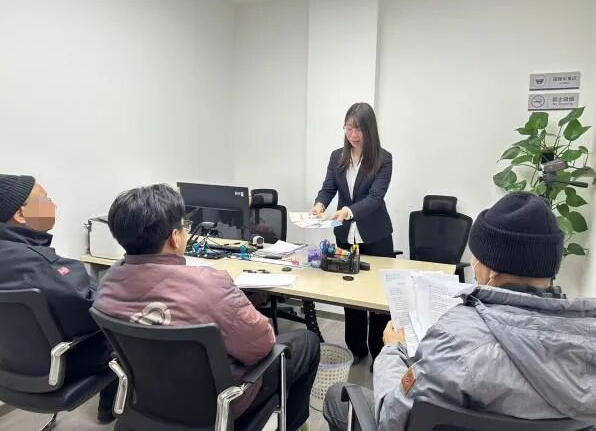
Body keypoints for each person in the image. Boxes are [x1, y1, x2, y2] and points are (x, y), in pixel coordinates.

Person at [323, 191, 596, 430]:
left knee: (338, 397)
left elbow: (392, 418)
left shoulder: (456, 342)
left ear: (490, 269)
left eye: (475, 255)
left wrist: (393, 350)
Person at [94, 184, 320, 431]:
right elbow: (263, 344)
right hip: (218, 407)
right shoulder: (210, 285)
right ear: (175, 237)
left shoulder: (107, 286)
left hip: (148, 398)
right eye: (185, 226)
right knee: (306, 342)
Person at [0, 174, 116, 424]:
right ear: (20, 214)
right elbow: (96, 310)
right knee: (125, 333)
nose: (53, 205)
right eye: (45, 199)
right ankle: (115, 412)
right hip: (59, 366)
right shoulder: (39, 264)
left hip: (8, 365)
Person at [313, 102, 393, 362]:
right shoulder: (337, 156)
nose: (353, 134)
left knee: (378, 298)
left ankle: (379, 353)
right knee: (351, 293)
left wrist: (347, 211)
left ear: (369, 130)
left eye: (358, 129)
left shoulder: (383, 159)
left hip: (376, 236)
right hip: (345, 237)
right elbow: (328, 187)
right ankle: (356, 349)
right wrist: (320, 204)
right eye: (348, 128)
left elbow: (375, 197)